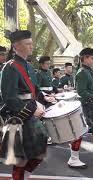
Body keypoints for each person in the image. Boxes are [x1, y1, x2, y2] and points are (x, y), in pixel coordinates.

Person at [0, 30, 55, 179]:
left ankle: (25, 175)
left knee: (40, 151)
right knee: (20, 159)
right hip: (19, 118)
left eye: (31, 43)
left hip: (32, 115)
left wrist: (44, 97)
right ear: (16, 46)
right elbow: (9, 97)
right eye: (28, 44)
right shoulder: (10, 67)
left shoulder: (29, 67)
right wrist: (31, 110)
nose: (32, 46)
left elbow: (34, 89)